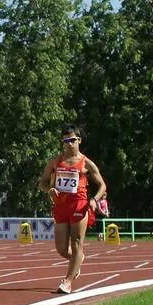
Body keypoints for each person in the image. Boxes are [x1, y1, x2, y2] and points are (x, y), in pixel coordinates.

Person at [38, 124, 107, 294]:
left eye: (72, 140)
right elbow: (42, 182)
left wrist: (94, 200)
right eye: (66, 140)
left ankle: (67, 281)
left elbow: (102, 185)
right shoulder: (55, 161)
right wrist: (50, 190)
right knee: (61, 249)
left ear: (79, 141)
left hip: (79, 205)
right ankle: (77, 261)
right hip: (61, 206)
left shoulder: (86, 163)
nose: (69, 143)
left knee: (77, 243)